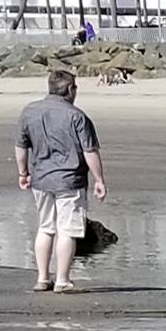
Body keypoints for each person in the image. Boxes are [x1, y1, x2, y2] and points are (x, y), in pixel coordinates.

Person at [16, 68, 106, 294]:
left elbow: (21, 147)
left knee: (46, 228)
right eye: (75, 87)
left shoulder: (29, 112)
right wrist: (99, 180)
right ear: (69, 90)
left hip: (42, 179)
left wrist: (23, 173)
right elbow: (90, 151)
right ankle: (63, 279)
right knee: (67, 230)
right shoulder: (77, 116)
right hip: (69, 180)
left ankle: (43, 277)